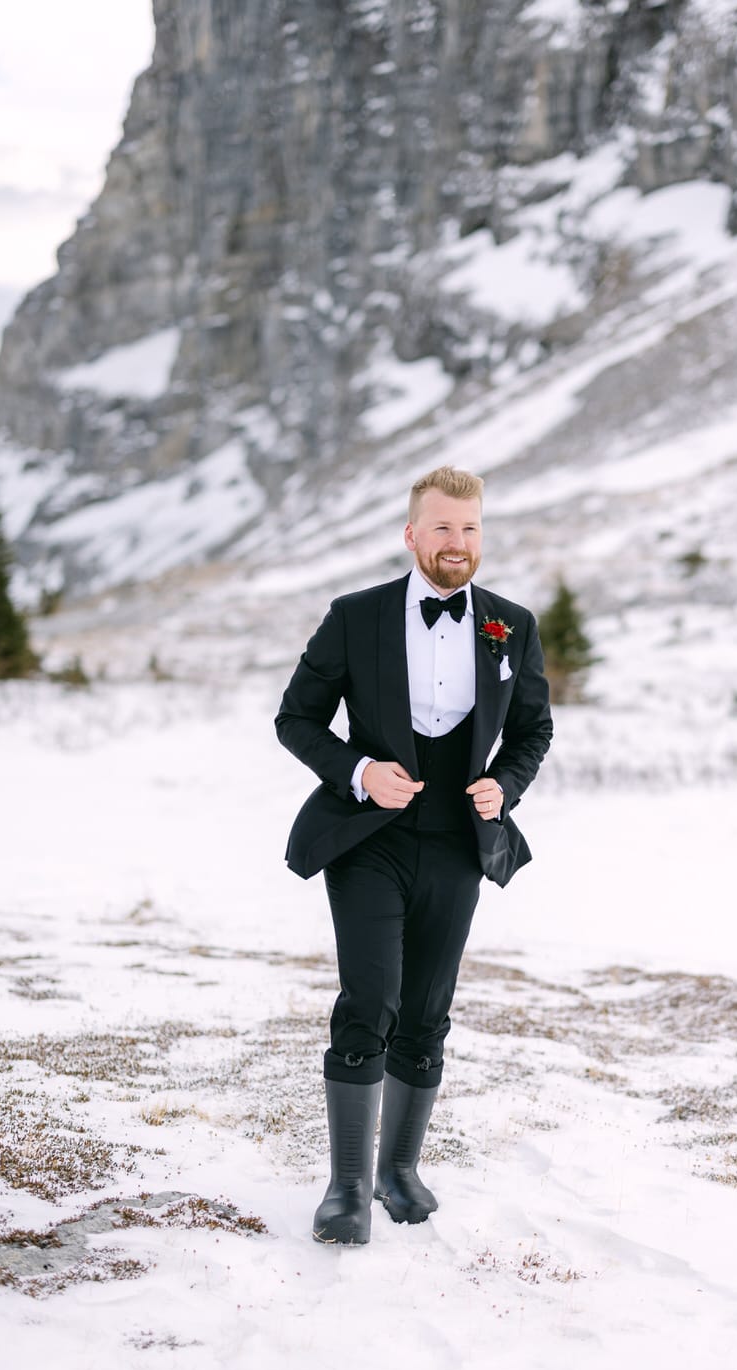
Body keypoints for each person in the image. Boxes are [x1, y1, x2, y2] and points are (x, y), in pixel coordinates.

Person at [274, 464, 552, 1244]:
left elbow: (533, 730)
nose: (456, 543)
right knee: (371, 1001)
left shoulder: (510, 625)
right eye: (441, 527)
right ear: (410, 534)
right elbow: (295, 718)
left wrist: (505, 784)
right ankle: (347, 1189)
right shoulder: (355, 617)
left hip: (457, 844)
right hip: (370, 839)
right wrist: (358, 772)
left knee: (427, 1012)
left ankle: (399, 1170)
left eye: (469, 529)